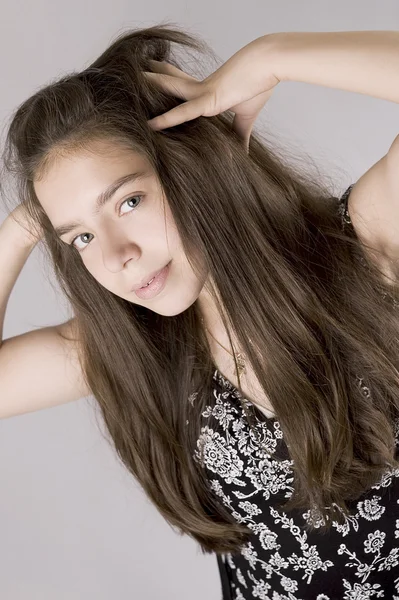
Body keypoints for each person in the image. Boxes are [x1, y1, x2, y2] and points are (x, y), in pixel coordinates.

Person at [1, 23, 399, 599]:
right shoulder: (139, 347)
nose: (116, 256)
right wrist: (19, 230)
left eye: (129, 201)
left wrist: (273, 56)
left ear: (193, 167)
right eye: (80, 238)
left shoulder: (361, 247)